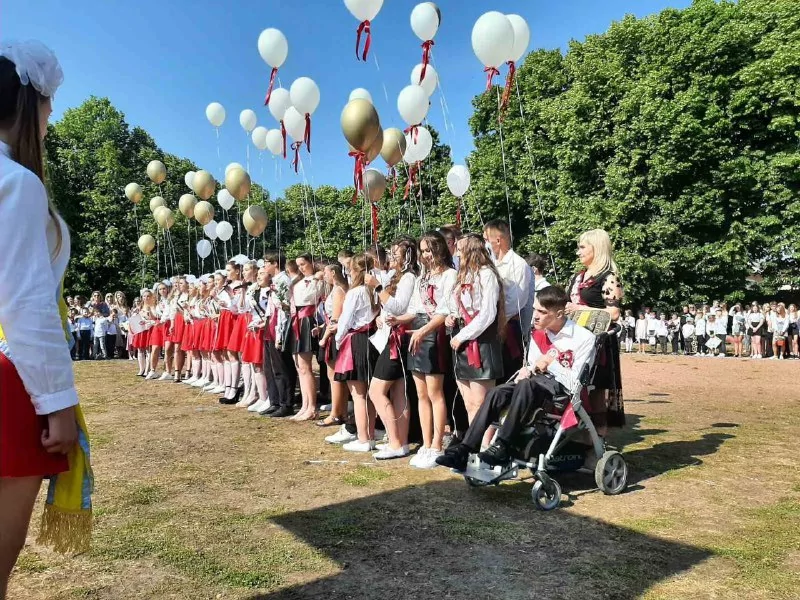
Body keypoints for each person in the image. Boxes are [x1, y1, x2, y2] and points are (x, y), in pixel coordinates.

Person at [0, 40, 92, 594]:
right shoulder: (16, 183)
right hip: (11, 383)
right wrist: (58, 403)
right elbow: (25, 301)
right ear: (30, 106)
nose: (52, 118)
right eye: (50, 106)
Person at [437, 286, 595, 471]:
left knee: (526, 386)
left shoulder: (584, 338)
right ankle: (465, 449)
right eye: (535, 309)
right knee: (497, 392)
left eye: (542, 312)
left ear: (559, 313)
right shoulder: (537, 333)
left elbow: (576, 383)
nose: (534, 315)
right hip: (532, 386)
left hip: (559, 391)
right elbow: (532, 366)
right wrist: (527, 369)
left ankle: (504, 445)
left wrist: (550, 364)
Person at [397, 232, 457, 468]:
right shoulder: (423, 276)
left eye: (429, 250)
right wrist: (398, 320)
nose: (425, 255)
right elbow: (414, 307)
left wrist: (424, 331)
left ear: (440, 250)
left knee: (435, 392)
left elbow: (444, 310)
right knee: (420, 392)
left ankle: (437, 444)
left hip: (435, 331)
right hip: (417, 328)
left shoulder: (450, 275)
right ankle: (425, 442)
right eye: (422, 251)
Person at [441, 234, 505, 423]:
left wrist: (463, 335)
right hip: (462, 338)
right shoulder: (464, 274)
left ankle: (484, 447)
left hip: (481, 340)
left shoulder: (487, 274)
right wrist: (451, 316)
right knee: (469, 402)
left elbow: (487, 313)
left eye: (460, 250)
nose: (457, 254)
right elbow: (456, 304)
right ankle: (473, 445)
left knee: (481, 402)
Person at [365, 238, 419, 460]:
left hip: (398, 341)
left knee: (376, 391)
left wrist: (376, 287)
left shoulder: (408, 277)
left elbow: (399, 307)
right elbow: (390, 309)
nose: (392, 256)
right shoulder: (398, 277)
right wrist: (380, 317)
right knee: (398, 393)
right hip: (390, 336)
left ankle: (395, 441)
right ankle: (401, 442)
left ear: (407, 256)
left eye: (396, 253)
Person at [565, 229, 624, 431]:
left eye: (582, 247)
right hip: (575, 340)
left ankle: (597, 443)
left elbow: (613, 313)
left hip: (598, 343)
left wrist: (580, 309)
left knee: (596, 393)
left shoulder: (609, 277)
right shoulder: (577, 277)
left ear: (596, 248)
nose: (578, 252)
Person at [334, 254, 379, 451]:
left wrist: (337, 340)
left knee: (358, 394)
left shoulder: (355, 293)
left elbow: (345, 319)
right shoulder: (373, 290)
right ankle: (368, 434)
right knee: (368, 393)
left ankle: (363, 439)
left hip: (356, 340)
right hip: (371, 340)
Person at [483, 220, 531, 382]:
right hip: (493, 324)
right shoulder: (492, 263)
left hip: (508, 325)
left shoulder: (518, 264)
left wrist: (494, 318)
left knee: (509, 375)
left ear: (498, 240)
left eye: (486, 239)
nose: (485, 244)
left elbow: (516, 300)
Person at [288, 253, 324, 421]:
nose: (301, 267)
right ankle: (305, 404)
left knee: (305, 365)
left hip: (306, 319)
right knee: (299, 366)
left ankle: (312, 407)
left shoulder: (317, 280)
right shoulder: (299, 281)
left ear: (311, 263)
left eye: (303, 263)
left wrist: (316, 278)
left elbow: (310, 298)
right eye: (299, 265)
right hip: (296, 319)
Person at [317, 263, 350, 427]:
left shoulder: (338, 290)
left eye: (325, 272)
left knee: (334, 377)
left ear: (333, 273)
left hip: (334, 335)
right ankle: (341, 411)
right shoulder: (336, 289)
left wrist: (325, 337)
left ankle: (335, 413)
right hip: (331, 332)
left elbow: (336, 318)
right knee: (337, 377)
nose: (324, 275)